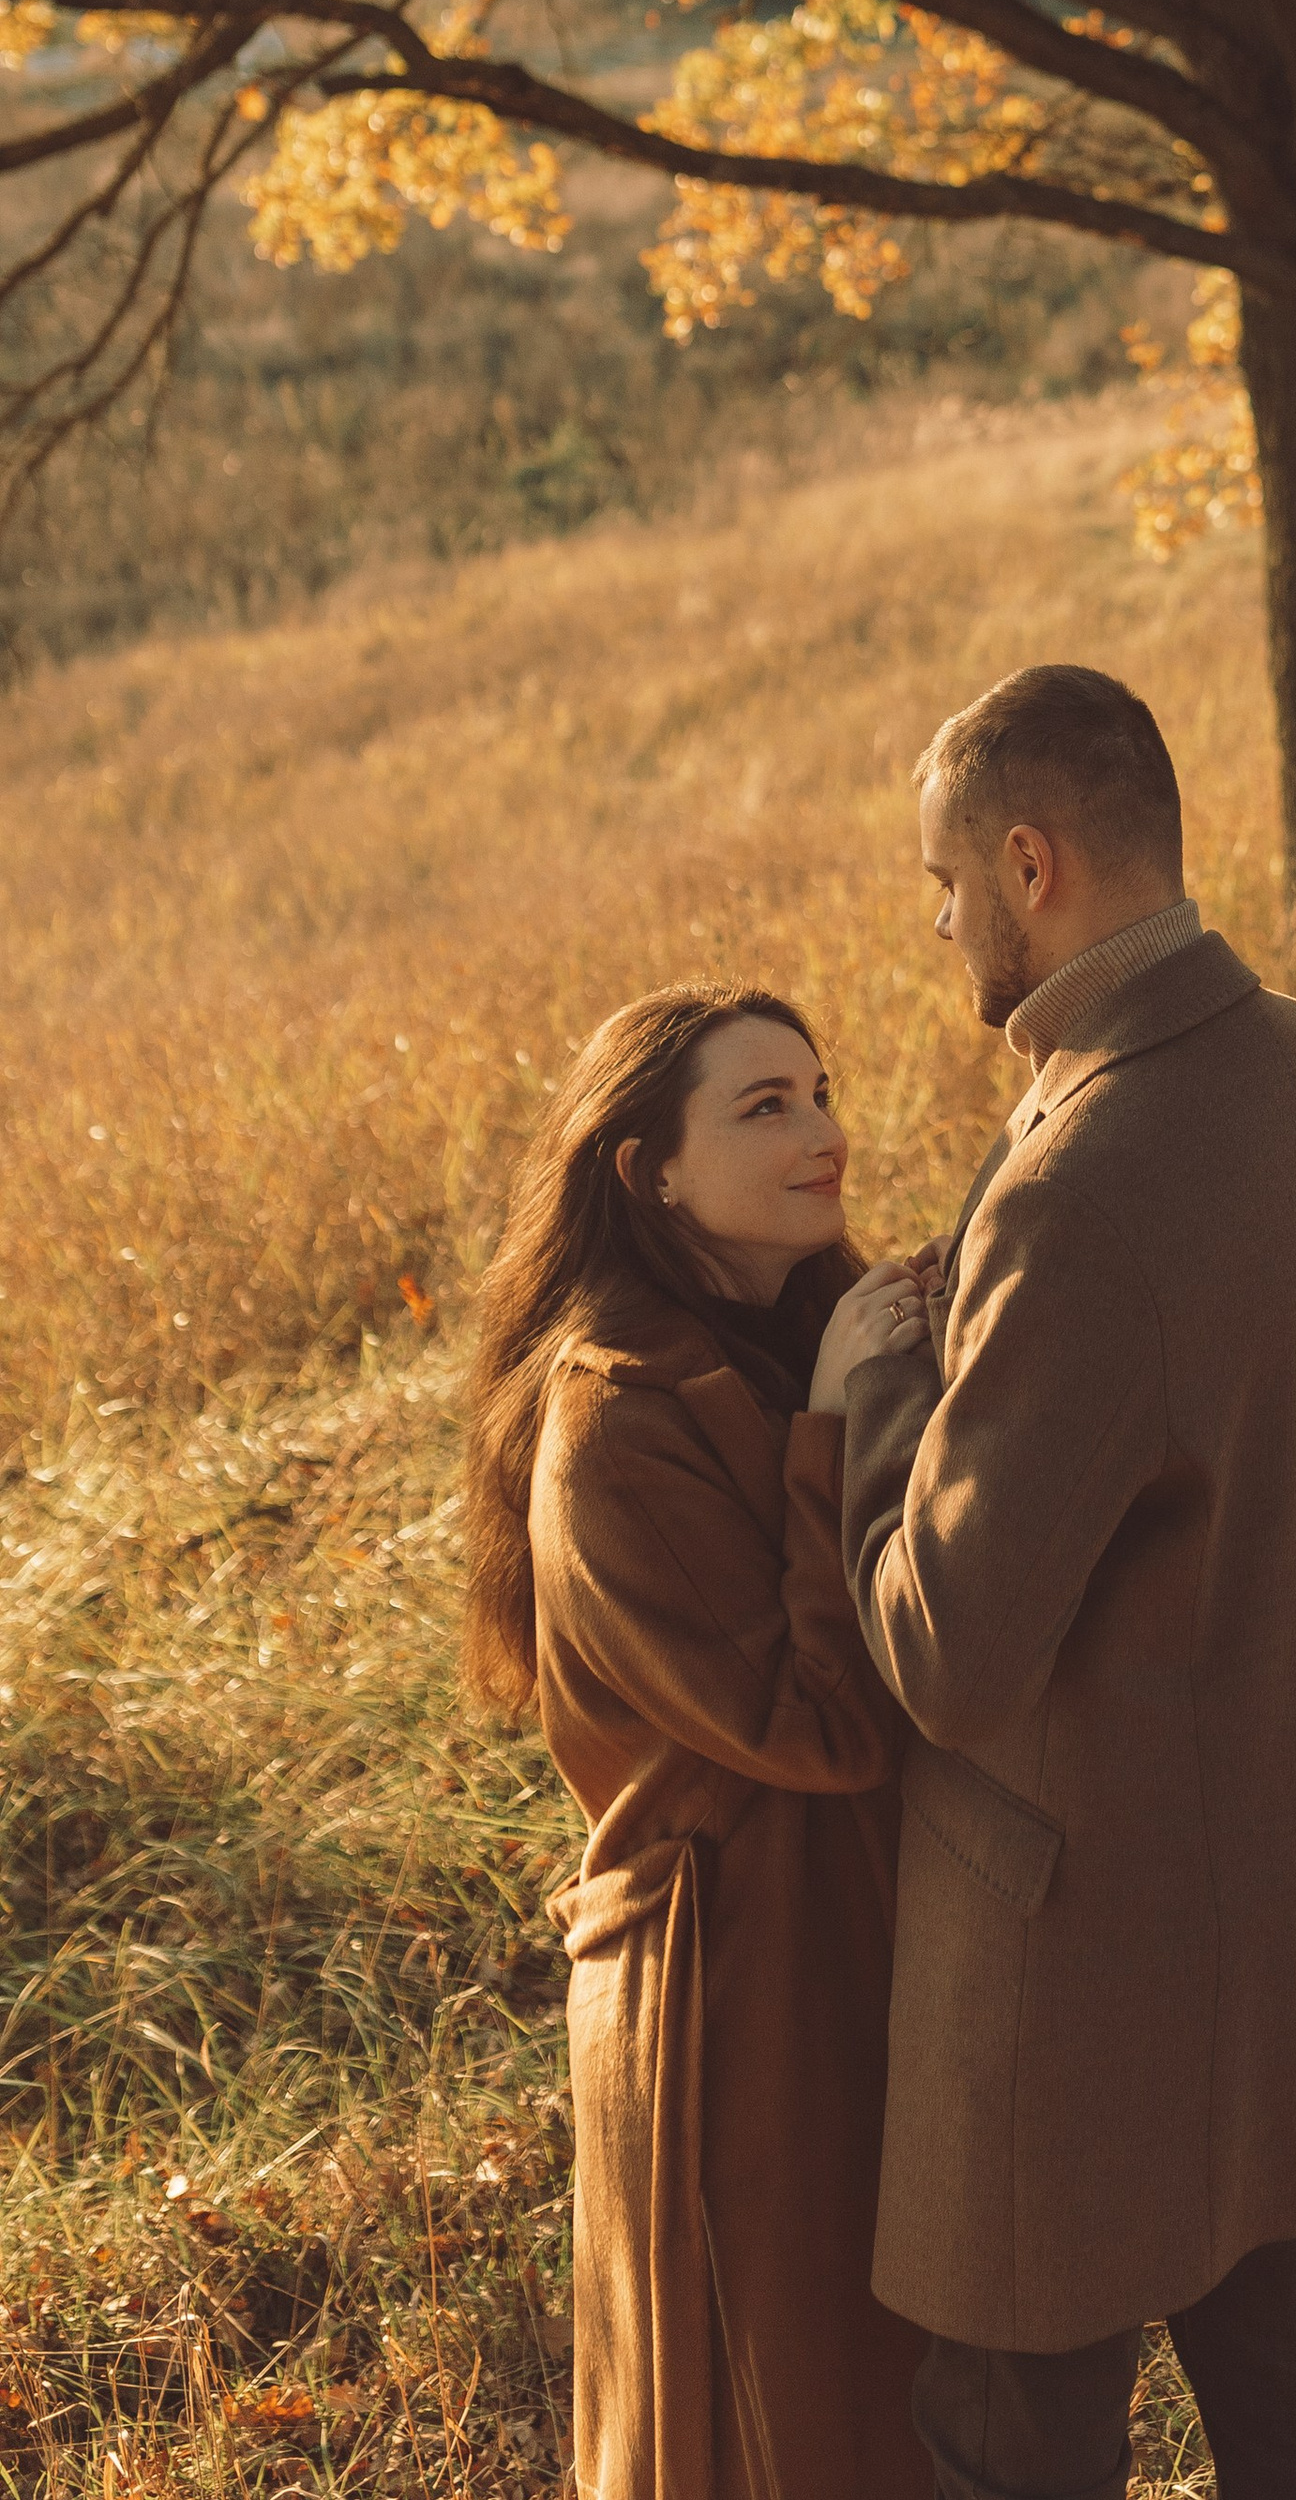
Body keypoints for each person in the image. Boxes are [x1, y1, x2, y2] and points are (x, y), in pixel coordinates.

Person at [812, 663, 1296, 2500]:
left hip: (1083, 1956)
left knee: (1009, 2437)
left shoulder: (1086, 1168)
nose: (937, 920)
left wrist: (878, 1388)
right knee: (1280, 2393)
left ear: (1031, 862)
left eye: (945, 881)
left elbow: (948, 1645)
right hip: (1277, 1904)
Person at [462, 982, 940, 2500]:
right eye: (765, 1106)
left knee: (902, 2409)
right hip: (734, 1997)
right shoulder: (616, 1420)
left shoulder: (803, 1330)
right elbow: (819, 1725)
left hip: (858, 1953)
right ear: (647, 1169)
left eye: (818, 1089)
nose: (827, 1133)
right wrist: (840, 1425)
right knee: (778, 2430)